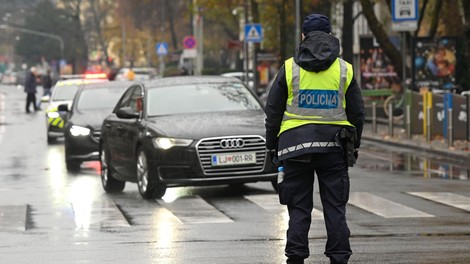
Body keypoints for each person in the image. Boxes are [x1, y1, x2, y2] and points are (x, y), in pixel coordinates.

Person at [264, 14, 365, 264]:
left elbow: (273, 111)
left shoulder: (289, 68)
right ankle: (339, 257)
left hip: (294, 148)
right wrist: (355, 144)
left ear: (303, 37)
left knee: (298, 208)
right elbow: (358, 113)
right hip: (334, 148)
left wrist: (271, 146)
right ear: (330, 36)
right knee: (335, 207)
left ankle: (296, 257)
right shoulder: (345, 69)